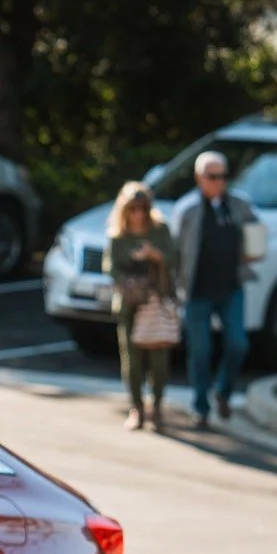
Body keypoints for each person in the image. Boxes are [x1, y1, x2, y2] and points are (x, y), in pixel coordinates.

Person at [173, 150, 262, 428]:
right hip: (197, 291)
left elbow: (256, 232)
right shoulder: (187, 209)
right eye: (213, 177)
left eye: (223, 176)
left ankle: (222, 392)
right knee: (200, 351)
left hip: (230, 288)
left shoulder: (238, 205)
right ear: (199, 178)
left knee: (238, 344)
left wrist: (253, 251)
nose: (219, 182)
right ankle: (201, 407)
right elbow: (175, 250)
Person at [105, 182, 179, 432]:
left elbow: (174, 258)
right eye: (133, 208)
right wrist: (127, 280)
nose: (138, 213)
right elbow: (111, 267)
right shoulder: (117, 236)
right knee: (132, 361)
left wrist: (153, 255)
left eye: (142, 208)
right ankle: (136, 406)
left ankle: (156, 405)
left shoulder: (160, 230)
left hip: (156, 302)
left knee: (159, 360)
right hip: (130, 305)